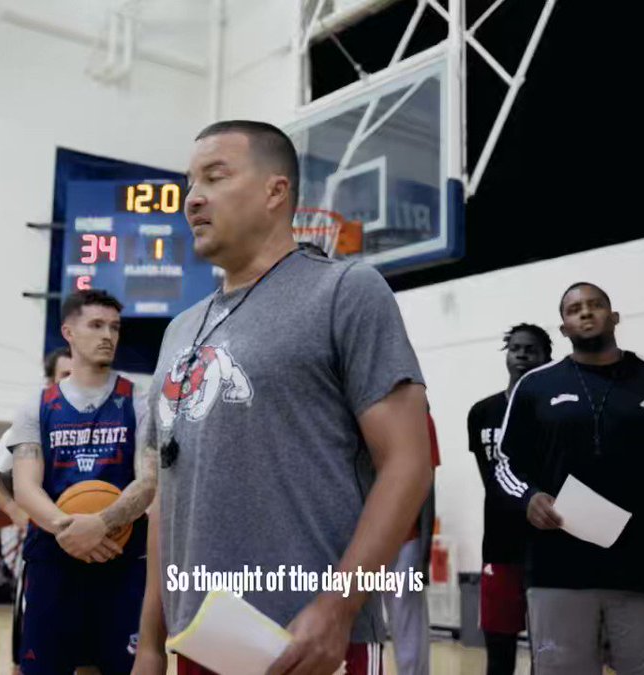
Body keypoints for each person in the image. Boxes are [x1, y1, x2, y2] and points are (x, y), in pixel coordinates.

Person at [132, 120, 432, 675]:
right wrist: (151, 642)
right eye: (189, 183)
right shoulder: (179, 331)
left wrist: (339, 609)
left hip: (306, 641)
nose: (192, 198)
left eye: (214, 177)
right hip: (196, 639)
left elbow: (408, 464)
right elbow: (164, 501)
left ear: (277, 191)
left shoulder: (345, 290)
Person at [494, 282, 644, 675]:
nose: (586, 312)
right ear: (563, 328)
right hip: (558, 574)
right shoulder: (536, 387)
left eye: (595, 305)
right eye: (575, 308)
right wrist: (528, 497)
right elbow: (505, 464)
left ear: (614, 317)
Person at [9, 290, 154, 675]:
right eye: (96, 325)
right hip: (53, 562)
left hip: (120, 560)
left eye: (115, 327)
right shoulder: (36, 406)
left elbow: (149, 481)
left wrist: (100, 524)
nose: (108, 335)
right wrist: (68, 529)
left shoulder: (139, 403)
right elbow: (25, 487)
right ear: (68, 332)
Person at [0, 345, 71, 675]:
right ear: (50, 383)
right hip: (44, 555)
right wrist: (16, 511)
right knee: (30, 657)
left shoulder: (113, 422)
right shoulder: (33, 425)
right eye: (65, 376)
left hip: (97, 555)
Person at [467, 323, 553, 675]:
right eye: (515, 348)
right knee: (498, 654)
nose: (521, 354)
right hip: (500, 545)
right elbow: (489, 478)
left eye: (530, 349)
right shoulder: (482, 412)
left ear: (546, 357)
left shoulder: (554, 411)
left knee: (546, 652)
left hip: (547, 546)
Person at [380, 411, 441, 675]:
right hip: (357, 539)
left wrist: (424, 553)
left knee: (407, 629)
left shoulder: (417, 416)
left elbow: (427, 486)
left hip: (405, 539)